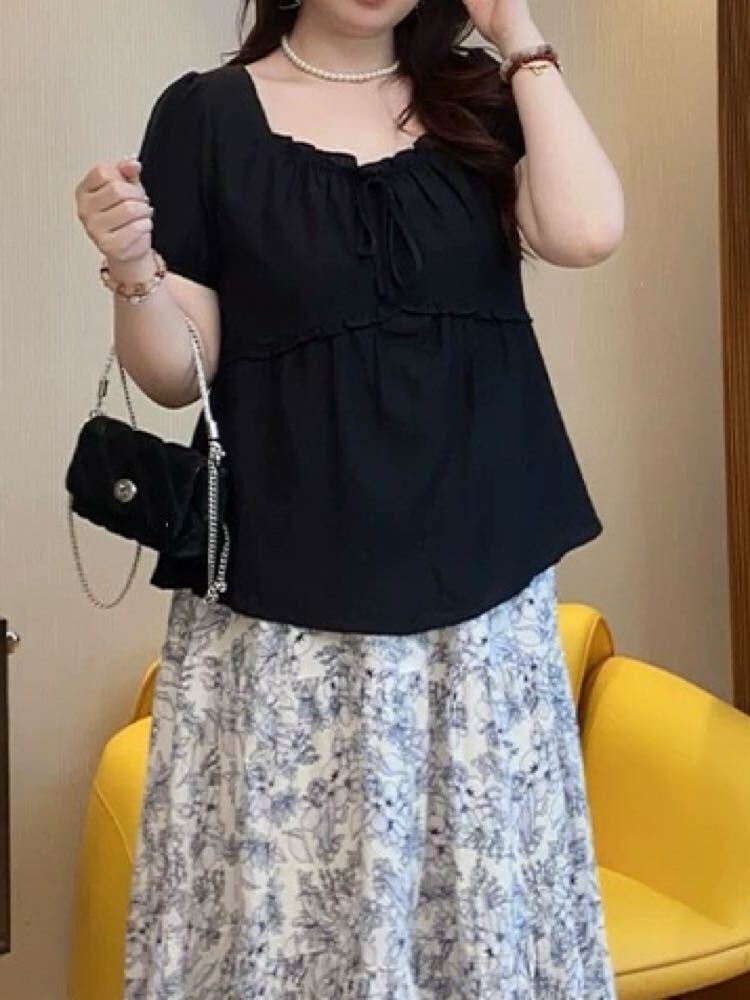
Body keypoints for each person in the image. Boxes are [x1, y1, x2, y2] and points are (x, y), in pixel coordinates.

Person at [74, 0, 624, 995]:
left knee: (481, 922)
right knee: (295, 927)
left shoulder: (480, 95)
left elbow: (586, 231)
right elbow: (178, 371)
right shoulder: (206, 114)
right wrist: (131, 266)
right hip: (288, 613)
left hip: (480, 614)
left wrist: (515, 29)